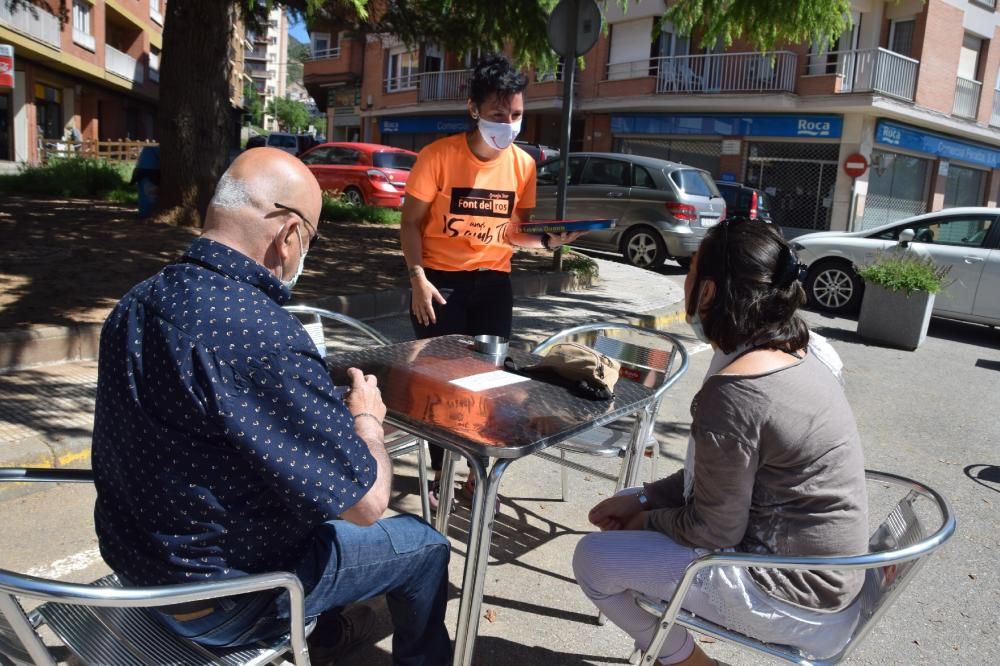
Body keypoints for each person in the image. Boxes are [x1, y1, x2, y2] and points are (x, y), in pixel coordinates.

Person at [91, 147, 451, 666]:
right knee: (422, 546)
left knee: (312, 505)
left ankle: (327, 634)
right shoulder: (263, 336)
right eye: (312, 240)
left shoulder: (138, 300)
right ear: (288, 235)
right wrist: (367, 418)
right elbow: (366, 504)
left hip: (137, 567)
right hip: (222, 599)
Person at [572, 220, 869, 665]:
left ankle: (689, 663)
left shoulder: (736, 391)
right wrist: (645, 496)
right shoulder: (801, 351)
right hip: (830, 583)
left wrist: (645, 520)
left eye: (690, 271)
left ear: (708, 293)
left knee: (594, 560)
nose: (684, 283)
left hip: (793, 598)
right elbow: (722, 476)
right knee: (627, 520)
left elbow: (714, 530)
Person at [400, 53, 580, 507]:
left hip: (494, 284)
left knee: (490, 385)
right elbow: (409, 224)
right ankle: (443, 474)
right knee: (439, 388)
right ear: (474, 109)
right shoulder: (437, 157)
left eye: (516, 115)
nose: (509, 124)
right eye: (499, 114)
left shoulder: (523, 165)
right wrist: (418, 279)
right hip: (441, 284)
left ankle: (478, 475)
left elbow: (515, 232)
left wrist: (549, 243)